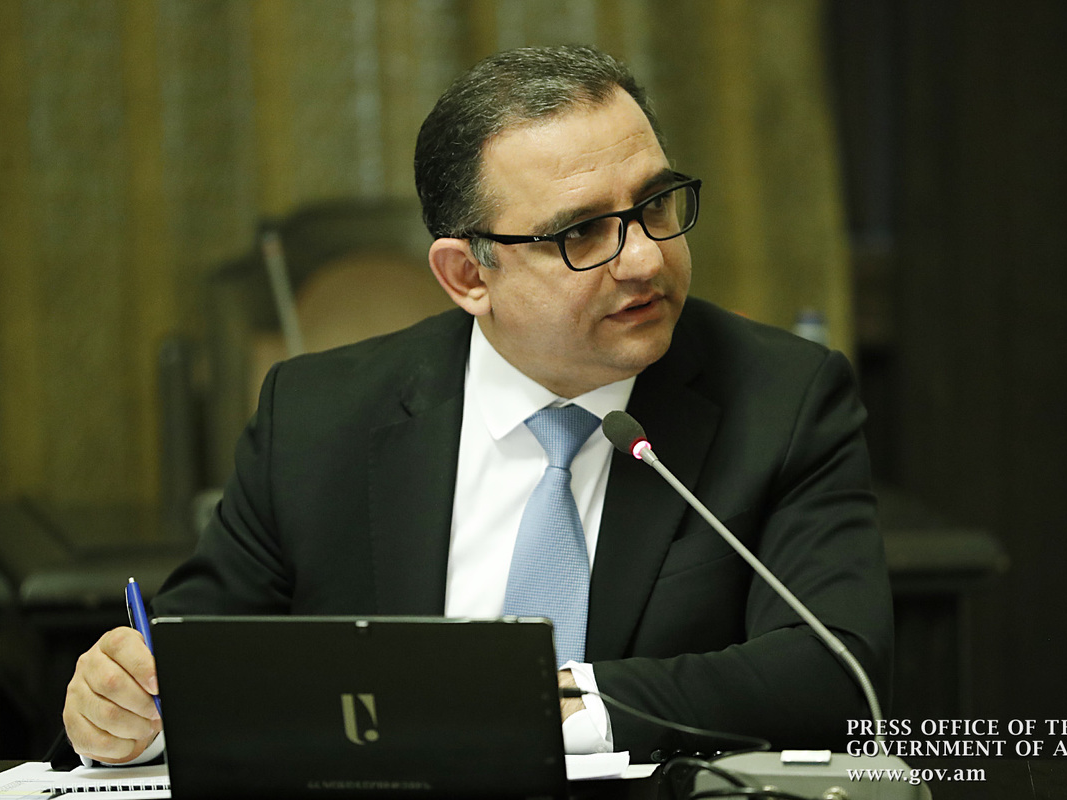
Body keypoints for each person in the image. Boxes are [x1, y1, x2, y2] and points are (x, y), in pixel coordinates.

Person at [60, 44, 892, 765]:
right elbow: (191, 668)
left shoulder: (783, 398)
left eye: (654, 205)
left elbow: (834, 671)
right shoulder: (317, 419)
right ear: (467, 275)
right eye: (581, 234)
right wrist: (124, 710)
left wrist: (548, 705)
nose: (643, 259)